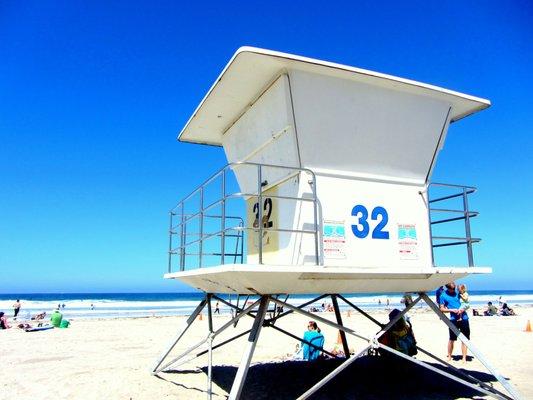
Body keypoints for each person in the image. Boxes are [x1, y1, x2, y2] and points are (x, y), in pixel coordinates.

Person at [439, 282, 470, 363]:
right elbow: (441, 309)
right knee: (452, 339)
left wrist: (463, 309)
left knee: (465, 339)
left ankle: (464, 358)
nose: (454, 290)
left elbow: (466, 303)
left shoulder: (459, 293)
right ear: (447, 288)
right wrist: (451, 310)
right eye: (452, 289)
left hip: (464, 318)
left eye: (454, 288)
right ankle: (449, 356)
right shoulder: (443, 296)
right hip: (453, 319)